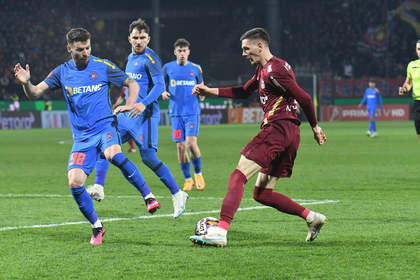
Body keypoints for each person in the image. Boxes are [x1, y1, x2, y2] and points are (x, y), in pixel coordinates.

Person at [14, 28, 161, 245]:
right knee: (74, 182)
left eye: (88, 48)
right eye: (80, 49)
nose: (85, 53)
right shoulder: (61, 72)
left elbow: (132, 83)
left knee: (112, 153)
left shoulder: (103, 66)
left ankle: (148, 196)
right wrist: (26, 82)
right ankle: (97, 227)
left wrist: (129, 104)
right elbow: (35, 92)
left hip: (105, 127)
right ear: (69, 49)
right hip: (82, 137)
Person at [189, 28, 327, 247]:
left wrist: (316, 127)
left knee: (238, 175)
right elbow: (243, 92)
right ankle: (312, 217)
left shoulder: (274, 70)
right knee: (262, 193)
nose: (244, 54)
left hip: (278, 129)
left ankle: (221, 230)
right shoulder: (265, 69)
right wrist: (210, 91)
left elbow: (305, 98)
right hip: (291, 133)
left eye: (246, 49)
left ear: (259, 46)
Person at [87, 18, 188, 219]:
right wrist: (123, 105)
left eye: (142, 38)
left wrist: (143, 104)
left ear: (148, 39)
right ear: (129, 39)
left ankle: (178, 194)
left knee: (148, 157)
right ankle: (99, 186)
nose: (139, 41)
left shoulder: (151, 59)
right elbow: (130, 86)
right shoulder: (131, 58)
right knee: (105, 145)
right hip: (128, 115)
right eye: (135, 37)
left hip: (145, 115)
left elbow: (160, 87)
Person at [162, 38, 205, 191]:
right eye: (179, 51)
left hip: (191, 112)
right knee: (181, 147)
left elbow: (202, 86)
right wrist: (163, 92)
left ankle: (198, 173)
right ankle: (188, 179)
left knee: (191, 144)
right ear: (175, 52)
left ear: (188, 52)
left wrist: (202, 93)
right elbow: (161, 85)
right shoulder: (167, 68)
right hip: (175, 113)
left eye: (184, 50)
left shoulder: (196, 68)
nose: (182, 53)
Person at [399, 39, 420, 143]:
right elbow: (408, 83)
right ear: (416, 50)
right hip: (417, 104)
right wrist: (404, 89)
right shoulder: (412, 65)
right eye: (419, 49)